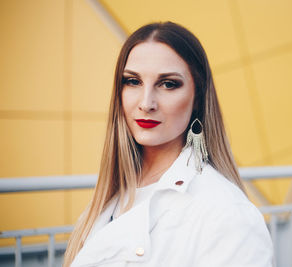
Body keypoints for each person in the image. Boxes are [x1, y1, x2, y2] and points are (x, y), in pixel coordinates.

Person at [63, 21, 274, 267]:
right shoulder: (113, 196)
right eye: (133, 81)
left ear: (198, 97)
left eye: (168, 84)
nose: (146, 103)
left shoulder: (227, 213)